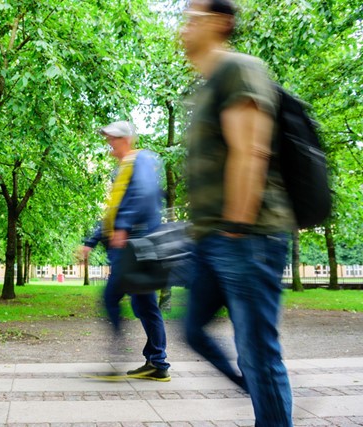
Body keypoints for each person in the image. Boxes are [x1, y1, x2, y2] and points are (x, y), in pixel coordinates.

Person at [180, 1, 295, 426]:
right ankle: (257, 389)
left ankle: (267, 401)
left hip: (248, 235)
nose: (185, 27)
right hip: (212, 238)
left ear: (221, 23)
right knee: (192, 329)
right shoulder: (206, 85)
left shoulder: (240, 69)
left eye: (194, 18)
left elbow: (252, 151)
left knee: (258, 352)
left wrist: (238, 225)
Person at [83, 121, 171, 381]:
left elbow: (144, 195)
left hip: (134, 246)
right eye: (108, 138)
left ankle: (120, 357)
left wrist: (122, 226)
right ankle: (157, 363)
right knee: (145, 305)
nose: (109, 143)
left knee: (111, 298)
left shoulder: (139, 161)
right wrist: (91, 240)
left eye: (113, 138)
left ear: (126, 139)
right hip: (131, 246)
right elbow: (112, 212)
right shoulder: (121, 170)